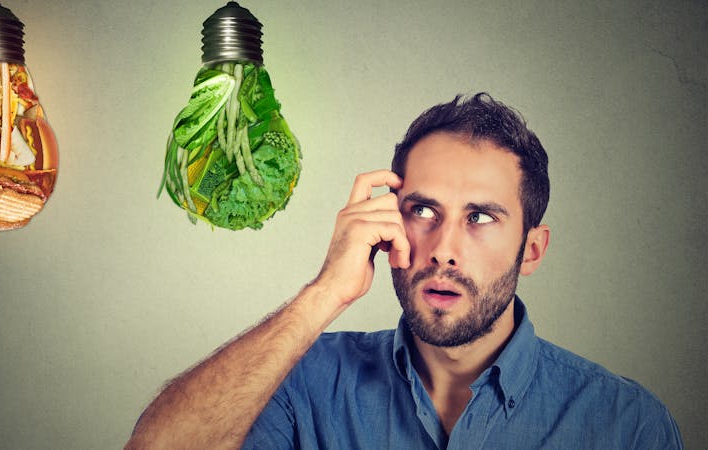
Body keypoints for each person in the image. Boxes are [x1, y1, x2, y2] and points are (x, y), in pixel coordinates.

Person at [125, 93, 683, 449]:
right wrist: (323, 293)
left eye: (481, 217)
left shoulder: (627, 425)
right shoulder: (302, 382)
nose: (444, 249)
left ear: (531, 251)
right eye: (423, 211)